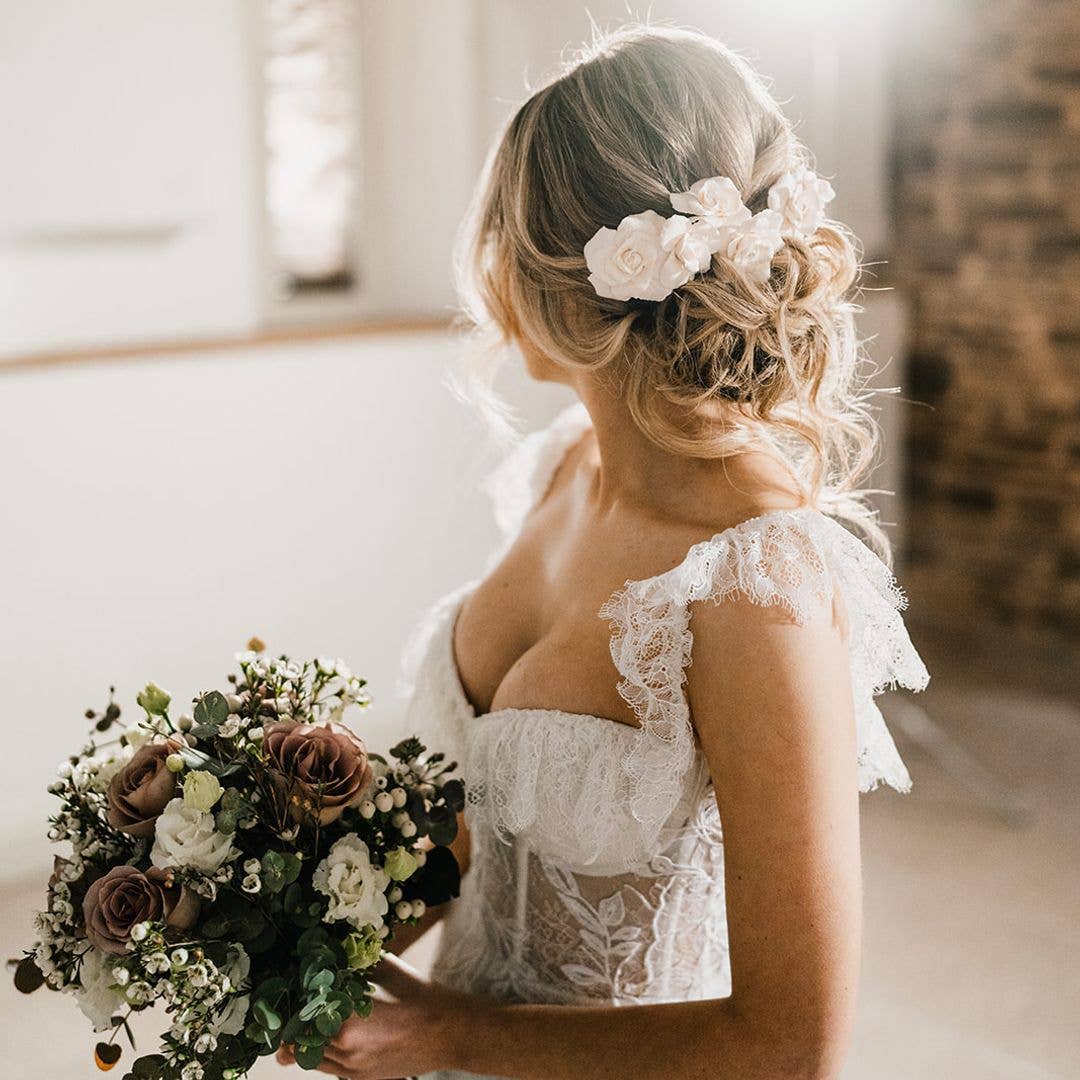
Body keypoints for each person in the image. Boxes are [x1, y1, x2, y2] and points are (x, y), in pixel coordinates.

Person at [278, 23, 928, 1080]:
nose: (486, 276)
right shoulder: (565, 469)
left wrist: (445, 1033)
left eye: (501, 240)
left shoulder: (756, 587)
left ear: (576, 280)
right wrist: (282, 932)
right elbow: (488, 821)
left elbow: (792, 1046)